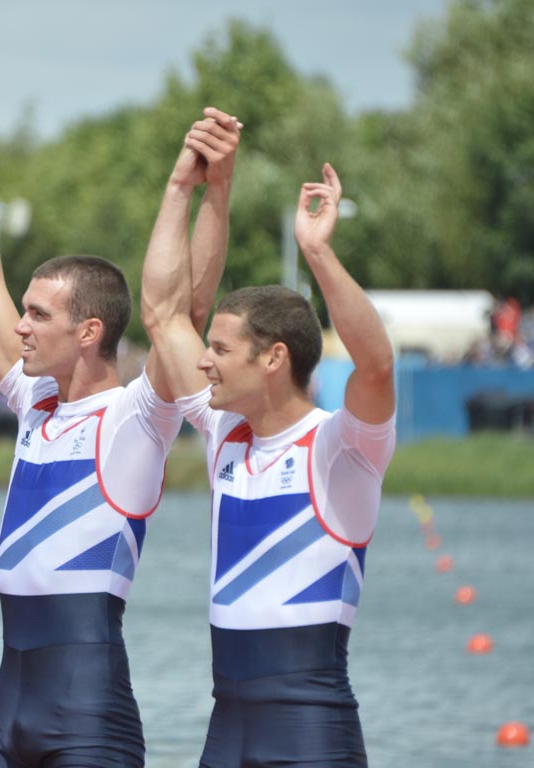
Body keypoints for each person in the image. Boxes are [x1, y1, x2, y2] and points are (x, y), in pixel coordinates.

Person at [0, 76, 236, 768]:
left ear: (89, 331)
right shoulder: (35, 402)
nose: (19, 325)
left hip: (89, 723)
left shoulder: (134, 416)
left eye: (38, 314)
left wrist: (208, 191)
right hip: (9, 719)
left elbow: (184, 314)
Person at [140, 117, 397, 766]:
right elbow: (164, 314)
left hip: (312, 734)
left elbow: (376, 367)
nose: (205, 363)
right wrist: (186, 186)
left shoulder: (342, 447)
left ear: (275, 358)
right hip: (226, 734)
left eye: (221, 351)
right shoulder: (227, 434)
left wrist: (317, 250)